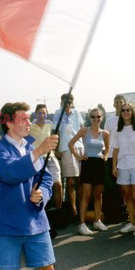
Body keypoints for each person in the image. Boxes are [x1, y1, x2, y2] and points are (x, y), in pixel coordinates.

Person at [0, 102, 58, 270]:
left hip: (36, 221)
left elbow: (46, 179)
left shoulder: (30, 147)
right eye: (23, 119)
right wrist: (39, 150)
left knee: (47, 269)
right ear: (8, 123)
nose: (28, 122)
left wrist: (42, 194)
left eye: (28, 119)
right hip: (8, 223)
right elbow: (10, 173)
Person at [68, 108, 109, 235]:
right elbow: (71, 143)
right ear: (89, 118)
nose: (96, 119)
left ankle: (97, 221)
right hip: (87, 164)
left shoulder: (105, 133)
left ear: (102, 117)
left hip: (99, 164)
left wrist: (105, 156)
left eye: (98, 116)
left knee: (98, 195)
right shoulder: (84, 130)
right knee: (86, 195)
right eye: (93, 117)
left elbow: (107, 149)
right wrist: (78, 156)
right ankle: (82, 224)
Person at [112, 103, 135, 236]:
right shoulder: (117, 130)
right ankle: (132, 223)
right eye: (123, 110)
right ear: (120, 113)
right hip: (122, 167)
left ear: (133, 112)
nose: (126, 112)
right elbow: (115, 149)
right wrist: (114, 166)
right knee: (127, 197)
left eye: (128, 110)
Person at [53, 93, 84, 222]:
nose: (67, 104)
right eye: (65, 102)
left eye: (70, 102)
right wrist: (56, 149)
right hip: (65, 149)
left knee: (80, 181)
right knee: (70, 182)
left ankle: (81, 208)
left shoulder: (76, 113)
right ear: (61, 102)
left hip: (79, 147)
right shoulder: (58, 113)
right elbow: (55, 132)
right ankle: (74, 211)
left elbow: (82, 129)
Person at [30, 104, 63, 208]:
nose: (42, 115)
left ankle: (58, 210)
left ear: (47, 114)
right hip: (38, 159)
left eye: (44, 113)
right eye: (39, 113)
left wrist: (56, 150)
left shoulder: (50, 125)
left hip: (50, 157)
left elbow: (58, 134)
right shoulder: (30, 127)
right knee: (39, 187)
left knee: (58, 185)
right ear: (36, 114)